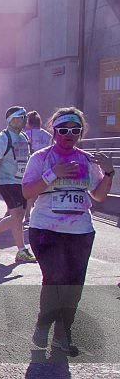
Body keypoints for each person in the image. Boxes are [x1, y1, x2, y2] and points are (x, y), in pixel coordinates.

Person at [22, 108, 114, 355]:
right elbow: (28, 191)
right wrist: (55, 173)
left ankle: (63, 334)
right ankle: (43, 325)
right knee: (55, 278)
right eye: (63, 130)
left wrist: (108, 173)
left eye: (75, 130)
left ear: (81, 133)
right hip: (45, 229)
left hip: (81, 231)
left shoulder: (86, 159)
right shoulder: (41, 158)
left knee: (74, 285)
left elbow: (99, 195)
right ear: (54, 131)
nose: (69, 134)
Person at [0, 106, 36, 263]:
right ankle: (21, 250)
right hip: (7, 181)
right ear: (11, 120)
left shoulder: (24, 137)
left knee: (18, 216)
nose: (24, 120)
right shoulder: (3, 138)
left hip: (21, 182)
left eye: (25, 117)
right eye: (21, 117)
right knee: (17, 214)